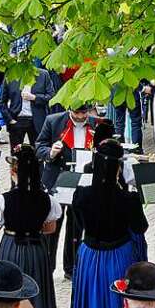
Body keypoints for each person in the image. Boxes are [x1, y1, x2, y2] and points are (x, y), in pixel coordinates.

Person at [71, 138, 148, 308]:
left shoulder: (82, 194)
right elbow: (140, 227)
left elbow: (79, 222)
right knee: (116, 297)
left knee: (92, 296)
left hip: (90, 254)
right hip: (118, 253)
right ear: (118, 168)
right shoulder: (128, 198)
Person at [0, 145, 60, 308]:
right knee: (38, 289)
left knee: (10, 290)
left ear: (13, 172)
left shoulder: (3, 200)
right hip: (37, 250)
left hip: (11, 247)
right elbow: (50, 228)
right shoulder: (47, 199)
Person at [35, 102, 95, 277]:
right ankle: (48, 267)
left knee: (76, 226)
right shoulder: (53, 121)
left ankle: (72, 268)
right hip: (57, 179)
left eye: (84, 113)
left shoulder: (95, 124)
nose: (81, 117)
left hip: (81, 180)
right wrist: (51, 152)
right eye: (77, 113)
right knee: (52, 225)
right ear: (70, 110)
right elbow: (39, 146)